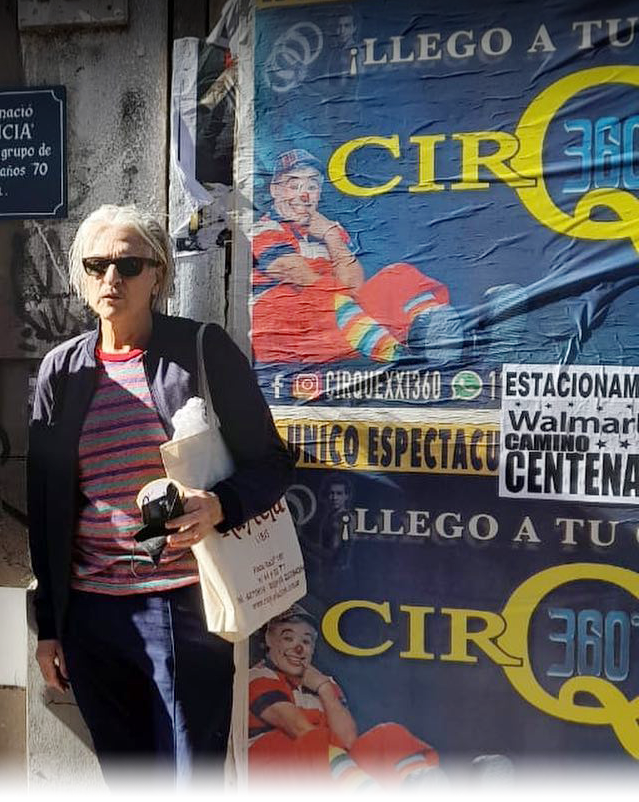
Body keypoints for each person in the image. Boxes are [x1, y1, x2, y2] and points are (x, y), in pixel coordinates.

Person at [27, 204, 294, 788]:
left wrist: (219, 505)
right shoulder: (60, 373)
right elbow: (45, 508)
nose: (111, 278)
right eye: (96, 265)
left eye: (128, 265)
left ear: (158, 274)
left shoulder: (201, 351)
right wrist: (49, 626)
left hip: (183, 606)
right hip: (91, 615)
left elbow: (274, 463)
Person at [251, 149, 463, 365]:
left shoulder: (330, 229)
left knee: (398, 275)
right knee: (313, 295)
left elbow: (354, 288)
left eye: (312, 187)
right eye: (294, 185)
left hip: (336, 325)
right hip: (287, 333)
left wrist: (331, 236)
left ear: (319, 193)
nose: (304, 196)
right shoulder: (264, 229)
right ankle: (396, 354)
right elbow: (301, 277)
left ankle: (433, 336)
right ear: (275, 190)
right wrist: (341, 295)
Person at [249, 605, 440, 786]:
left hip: (331, 770)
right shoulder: (259, 675)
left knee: (388, 735)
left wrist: (324, 687)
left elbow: (348, 741)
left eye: (306, 641)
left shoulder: (325, 685)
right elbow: (299, 729)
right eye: (288, 638)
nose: (298, 648)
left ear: (313, 649)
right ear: (269, 640)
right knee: (308, 740)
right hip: (276, 774)